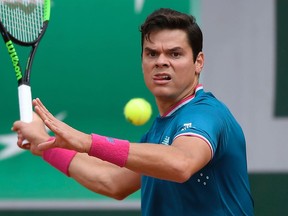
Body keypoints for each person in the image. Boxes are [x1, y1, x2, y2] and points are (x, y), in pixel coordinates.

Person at [12, 8, 254, 216]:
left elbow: (181, 163)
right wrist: (46, 144)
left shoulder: (207, 114)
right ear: (142, 62)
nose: (161, 61)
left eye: (175, 53)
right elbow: (112, 182)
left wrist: (86, 141)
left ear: (198, 62)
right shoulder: (156, 134)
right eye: (152, 53)